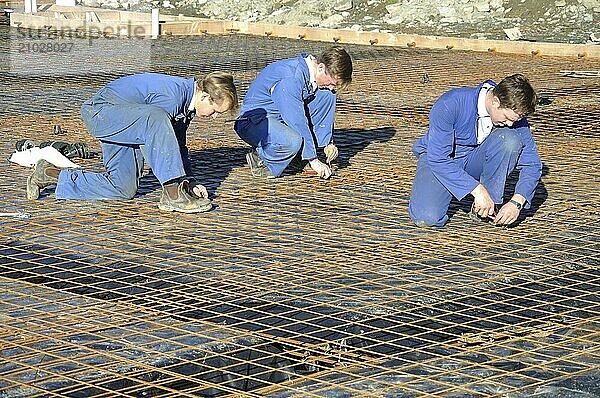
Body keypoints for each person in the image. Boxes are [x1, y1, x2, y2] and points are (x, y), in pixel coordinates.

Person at [26, 72, 238, 213]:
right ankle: (173, 193)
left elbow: (176, 145)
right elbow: (156, 136)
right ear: (204, 97)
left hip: (126, 119)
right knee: (155, 118)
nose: (214, 118)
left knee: (123, 188)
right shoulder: (172, 96)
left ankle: (48, 174)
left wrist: (189, 181)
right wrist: (176, 183)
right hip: (103, 113)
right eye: (215, 111)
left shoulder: (184, 106)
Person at [408, 73, 542, 227]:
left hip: (473, 161)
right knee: (426, 218)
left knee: (510, 140)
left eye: (515, 120)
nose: (511, 124)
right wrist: (477, 190)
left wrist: (517, 202)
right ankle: (475, 194)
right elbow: (438, 159)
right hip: (442, 161)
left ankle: (485, 208)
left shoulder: (513, 116)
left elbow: (532, 164)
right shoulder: (450, 104)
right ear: (495, 101)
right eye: (506, 118)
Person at [234, 46, 352, 179]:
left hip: (278, 118)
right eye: (331, 82)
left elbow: (317, 109)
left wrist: (328, 143)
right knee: (292, 141)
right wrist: (313, 160)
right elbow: (296, 120)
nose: (331, 87)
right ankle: (261, 158)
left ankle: (297, 157)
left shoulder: (311, 76)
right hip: (253, 123)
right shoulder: (291, 78)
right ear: (321, 68)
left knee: (327, 94)